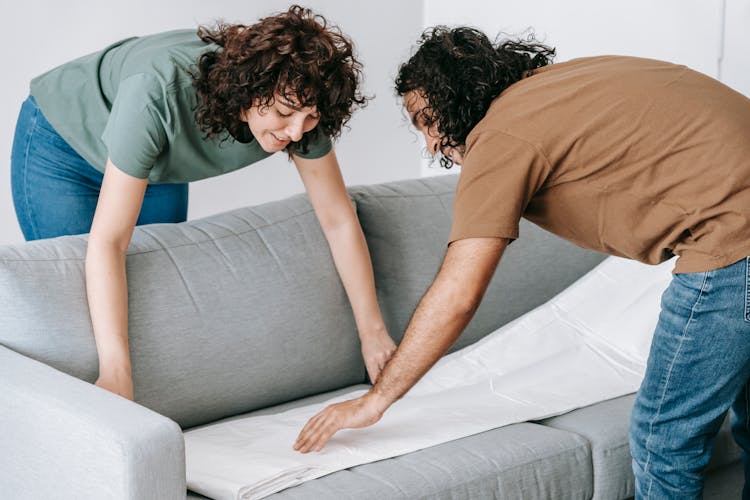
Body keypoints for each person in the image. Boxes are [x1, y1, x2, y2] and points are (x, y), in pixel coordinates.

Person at [293, 26, 750, 499]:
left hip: (736, 243)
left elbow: (459, 293)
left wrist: (377, 400)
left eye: (424, 121)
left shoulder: (501, 136)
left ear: (452, 101)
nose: (429, 144)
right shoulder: (564, 84)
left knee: (662, 438)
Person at [10, 5, 396, 400]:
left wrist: (373, 334)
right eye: (284, 113)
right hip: (62, 147)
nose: (296, 131)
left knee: (159, 292)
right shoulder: (157, 94)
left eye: (311, 117)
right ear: (249, 89)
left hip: (153, 160)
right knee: (78, 309)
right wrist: (115, 376)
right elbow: (108, 242)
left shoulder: (300, 100)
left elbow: (337, 219)